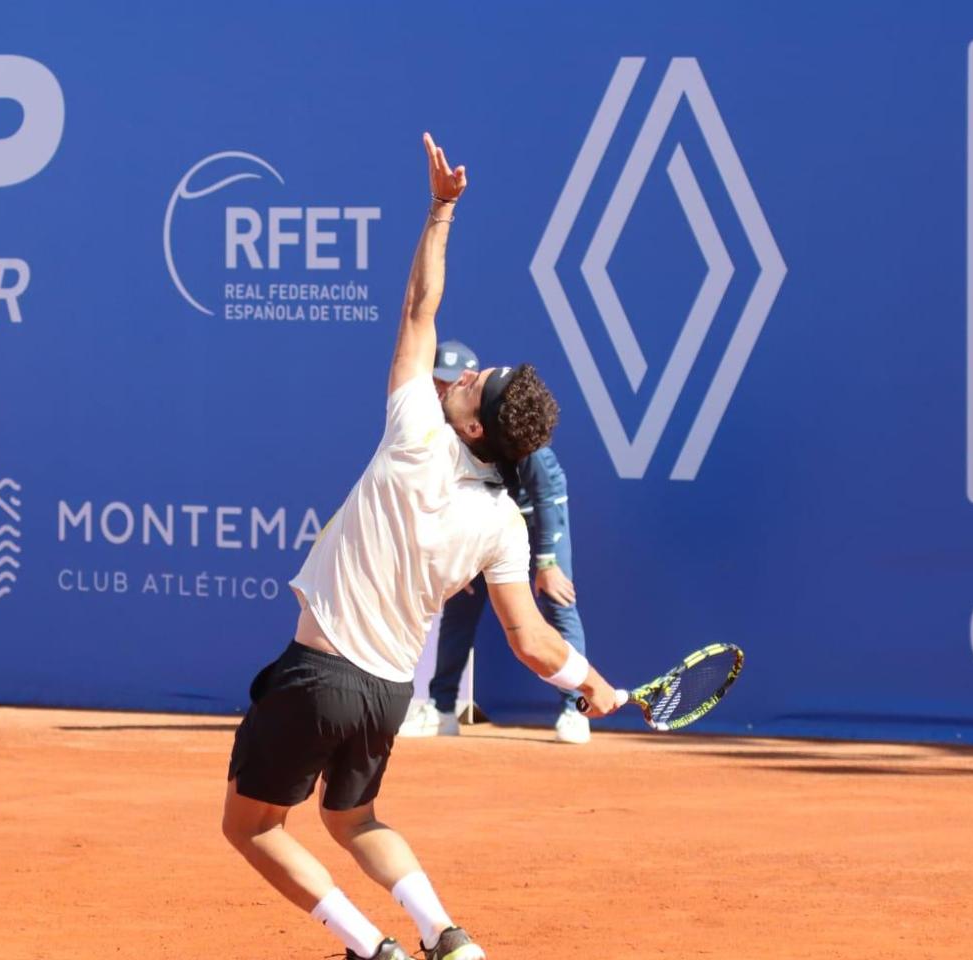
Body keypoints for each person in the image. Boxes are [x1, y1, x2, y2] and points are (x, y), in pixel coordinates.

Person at [220, 133, 622, 960]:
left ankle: (373, 950)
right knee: (352, 820)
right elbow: (532, 641)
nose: (460, 375)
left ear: (473, 425)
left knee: (252, 827)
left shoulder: (416, 432)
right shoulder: (504, 522)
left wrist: (441, 210)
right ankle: (447, 934)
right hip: (384, 697)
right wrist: (593, 684)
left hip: (318, 674)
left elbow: (417, 309)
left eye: (475, 382)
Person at [400, 340, 591, 744]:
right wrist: (456, 555)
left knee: (557, 602)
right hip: (480, 520)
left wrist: (546, 561)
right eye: (435, 381)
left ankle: (576, 708)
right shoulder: (435, 427)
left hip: (535, 516)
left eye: (448, 382)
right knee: (458, 609)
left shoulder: (499, 422)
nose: (440, 389)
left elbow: (546, 496)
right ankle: (441, 708)